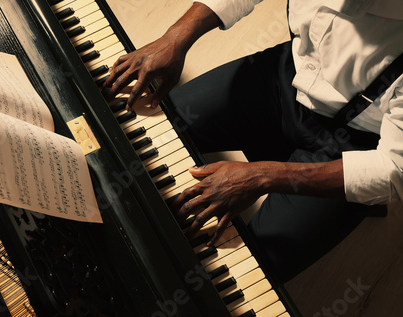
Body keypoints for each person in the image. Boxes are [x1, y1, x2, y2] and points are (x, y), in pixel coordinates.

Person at [103, 0, 403, 282]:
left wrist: (264, 176)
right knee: (140, 135)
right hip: (287, 75)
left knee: (242, 274)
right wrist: (177, 37)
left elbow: (393, 169)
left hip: (358, 144)